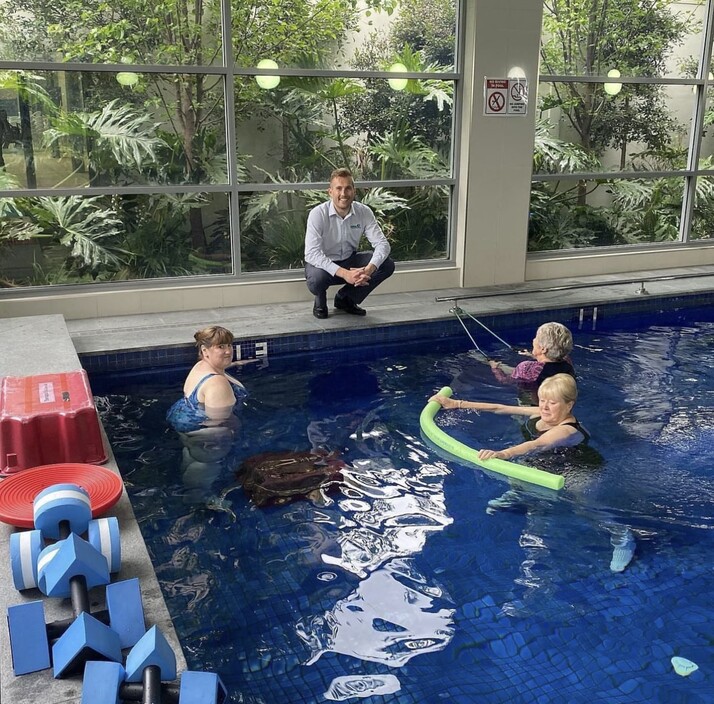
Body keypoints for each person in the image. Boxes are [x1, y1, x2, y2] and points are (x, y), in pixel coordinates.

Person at [429, 373, 589, 461]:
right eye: (542, 400)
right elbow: (501, 408)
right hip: (547, 460)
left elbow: (537, 444)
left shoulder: (565, 430)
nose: (544, 407)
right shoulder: (544, 413)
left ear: (569, 405)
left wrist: (503, 454)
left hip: (575, 469)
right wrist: (457, 403)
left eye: (552, 403)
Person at [304, 167, 395, 319]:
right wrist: (345, 274)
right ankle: (320, 298)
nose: (343, 194)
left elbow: (383, 245)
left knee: (386, 264)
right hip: (323, 266)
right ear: (330, 192)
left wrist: (368, 270)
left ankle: (346, 299)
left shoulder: (364, 212)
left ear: (354, 191)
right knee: (316, 279)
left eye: (348, 188)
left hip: (349, 261)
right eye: (338, 188)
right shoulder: (317, 214)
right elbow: (311, 253)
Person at [166, 325, 248, 431]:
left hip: (182, 418)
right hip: (206, 436)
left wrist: (237, 363)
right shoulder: (217, 383)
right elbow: (220, 425)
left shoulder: (200, 366)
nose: (228, 351)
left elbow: (220, 367)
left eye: (229, 345)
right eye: (221, 347)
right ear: (205, 351)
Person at [479, 322, 575, 389]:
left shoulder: (526, 367)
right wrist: (533, 355)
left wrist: (495, 369)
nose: (534, 340)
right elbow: (551, 360)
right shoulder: (567, 362)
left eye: (536, 338)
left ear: (543, 349)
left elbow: (505, 381)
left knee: (501, 367)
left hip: (531, 402)